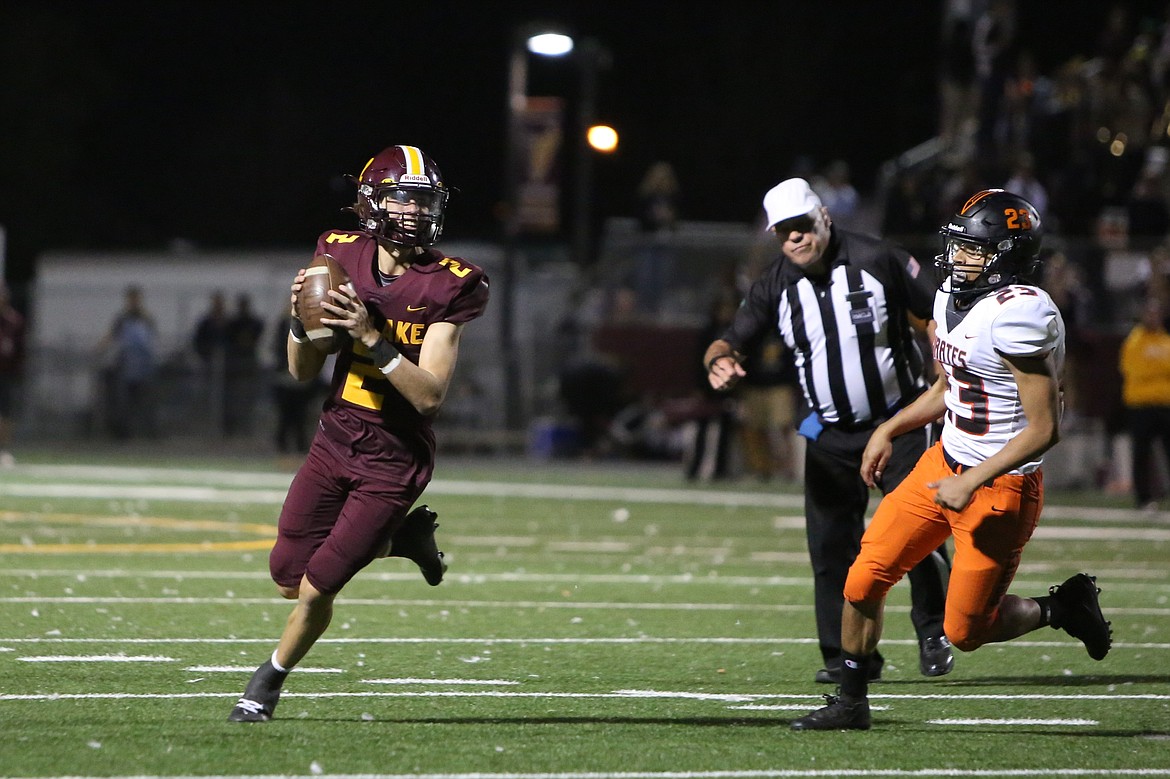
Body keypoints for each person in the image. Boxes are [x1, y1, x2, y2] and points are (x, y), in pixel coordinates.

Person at [791, 189, 1112, 731]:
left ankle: (1063, 608)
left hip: (1001, 486)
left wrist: (974, 481)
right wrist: (889, 428)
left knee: (966, 630)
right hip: (943, 463)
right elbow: (950, 386)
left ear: (1006, 255)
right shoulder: (948, 298)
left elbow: (1044, 429)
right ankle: (850, 701)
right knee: (864, 577)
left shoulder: (1021, 314)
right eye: (958, 245)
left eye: (973, 249)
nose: (958, 257)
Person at [227, 144, 490, 722]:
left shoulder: (450, 284)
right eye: (405, 199)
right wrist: (299, 320)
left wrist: (373, 338)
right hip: (334, 437)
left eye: (427, 202)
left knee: (320, 589)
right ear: (372, 200)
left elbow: (430, 397)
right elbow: (300, 371)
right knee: (287, 580)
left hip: (394, 457)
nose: (417, 213)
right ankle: (405, 541)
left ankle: (265, 685)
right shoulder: (338, 252)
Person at [704, 178, 953, 684]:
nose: (795, 239)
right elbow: (729, 341)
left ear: (824, 216)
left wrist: (943, 369)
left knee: (917, 535)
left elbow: (937, 312)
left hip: (897, 423)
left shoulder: (878, 259)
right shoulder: (775, 284)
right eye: (784, 232)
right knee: (831, 551)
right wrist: (721, 363)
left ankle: (933, 628)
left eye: (802, 226)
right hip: (829, 436)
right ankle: (847, 658)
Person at [1118, 295, 1170, 511]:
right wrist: (1159, 372)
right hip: (1140, 406)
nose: (1153, 317)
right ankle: (1143, 498)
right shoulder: (1134, 341)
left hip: (1165, 405)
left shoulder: (1165, 340)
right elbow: (1136, 371)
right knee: (1141, 454)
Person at [100, 285, 158, 440]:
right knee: (123, 402)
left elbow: (152, 336)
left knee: (144, 401)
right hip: (127, 365)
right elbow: (112, 334)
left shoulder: (146, 318)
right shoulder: (122, 318)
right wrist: (100, 347)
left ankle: (148, 433)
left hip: (143, 365)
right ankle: (123, 434)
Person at [223, 293, 265, 437]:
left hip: (248, 368)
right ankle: (230, 429)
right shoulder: (233, 323)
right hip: (234, 368)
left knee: (247, 400)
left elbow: (258, 331)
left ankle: (246, 429)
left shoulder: (253, 322)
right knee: (230, 400)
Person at [0, 282, 27, 467]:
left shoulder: (14, 321)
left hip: (6, 373)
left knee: (5, 414)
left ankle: (3, 450)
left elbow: (20, 349)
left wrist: (18, 371)